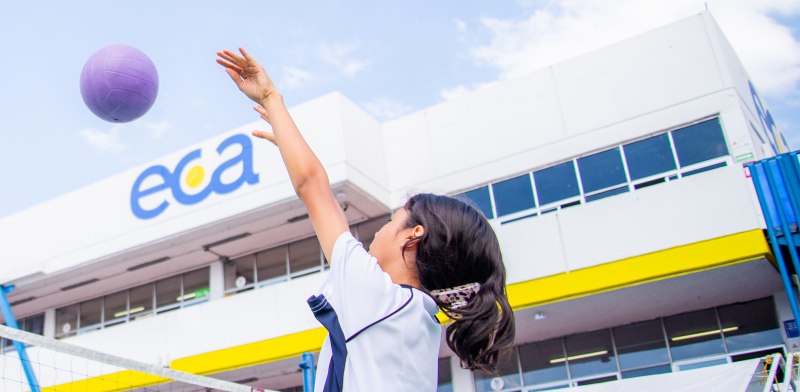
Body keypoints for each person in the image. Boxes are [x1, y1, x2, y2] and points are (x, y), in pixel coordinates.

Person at [216, 48, 515, 392]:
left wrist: (271, 98)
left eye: (393, 219)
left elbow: (312, 185)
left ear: (412, 235)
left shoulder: (378, 296)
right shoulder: (420, 319)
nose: (379, 229)